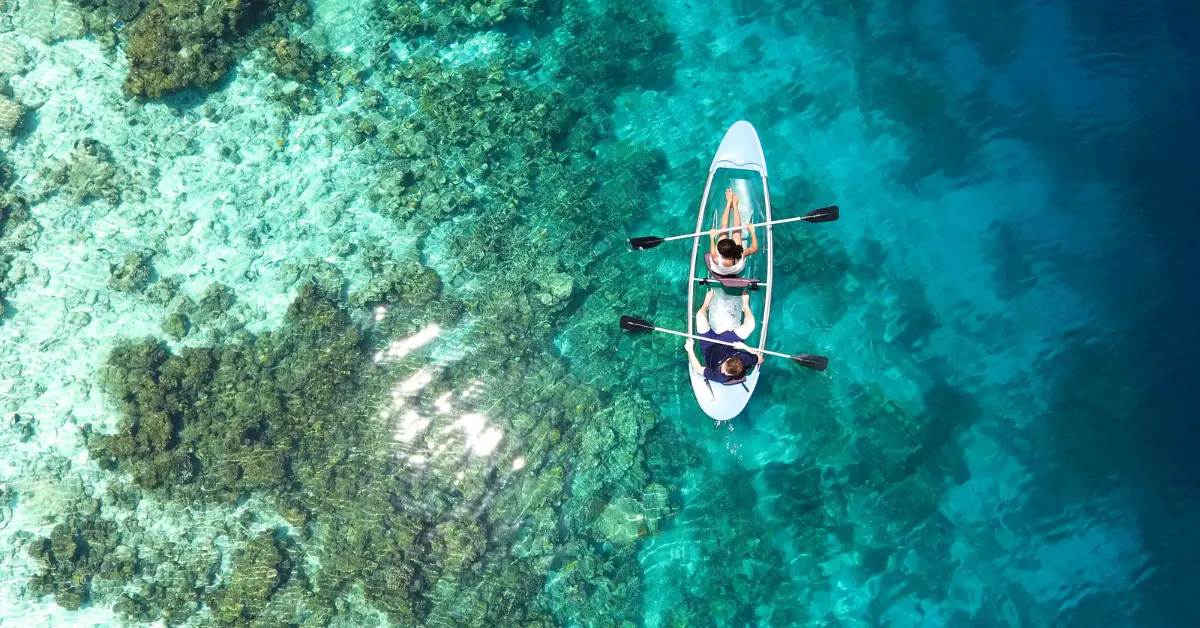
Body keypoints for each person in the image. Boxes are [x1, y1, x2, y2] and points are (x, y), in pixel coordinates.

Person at [683, 290, 764, 384]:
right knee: (750, 325)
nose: (721, 370)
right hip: (729, 343)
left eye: (724, 371)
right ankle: (744, 306)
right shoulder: (744, 359)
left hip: (709, 346)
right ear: (730, 359)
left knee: (699, 316)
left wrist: (690, 349)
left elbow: (698, 369)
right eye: (723, 367)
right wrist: (744, 347)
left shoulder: (719, 376)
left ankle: (706, 304)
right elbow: (760, 359)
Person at [707, 188, 759, 278]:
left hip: (721, 271)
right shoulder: (741, 254)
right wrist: (752, 231)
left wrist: (712, 238)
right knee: (736, 230)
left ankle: (728, 203)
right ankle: (734, 205)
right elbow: (754, 248)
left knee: (723, 230)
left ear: (720, 252)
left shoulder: (716, 259)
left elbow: (712, 250)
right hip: (737, 269)